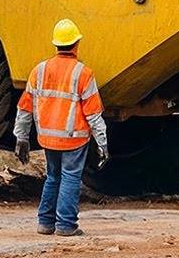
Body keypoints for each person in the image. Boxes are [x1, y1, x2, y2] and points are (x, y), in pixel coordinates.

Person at [13, 18, 109, 237]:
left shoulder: (39, 70)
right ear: (76, 44)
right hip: (74, 138)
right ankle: (66, 225)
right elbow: (94, 114)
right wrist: (102, 144)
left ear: (56, 44)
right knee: (70, 178)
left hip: (48, 139)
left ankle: (45, 223)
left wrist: (22, 137)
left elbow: (25, 108)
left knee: (53, 177)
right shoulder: (83, 73)